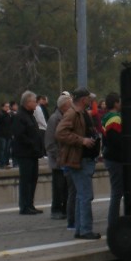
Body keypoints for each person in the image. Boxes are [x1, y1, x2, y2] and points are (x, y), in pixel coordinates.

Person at [56, 86, 101, 239]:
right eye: (89, 98)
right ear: (83, 100)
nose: (91, 101)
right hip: (79, 160)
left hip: (82, 160)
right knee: (85, 196)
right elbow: (60, 132)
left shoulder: (79, 113)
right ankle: (85, 230)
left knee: (81, 196)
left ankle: (79, 229)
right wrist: (82, 140)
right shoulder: (72, 114)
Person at [11, 89, 45, 214]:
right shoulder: (20, 116)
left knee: (33, 179)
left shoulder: (30, 115)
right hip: (25, 153)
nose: (36, 104)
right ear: (27, 102)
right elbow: (20, 135)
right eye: (34, 102)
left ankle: (30, 204)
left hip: (33, 153)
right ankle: (24, 206)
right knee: (26, 180)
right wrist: (32, 144)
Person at [44, 93, 72, 221]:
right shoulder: (54, 119)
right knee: (58, 187)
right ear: (64, 106)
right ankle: (56, 209)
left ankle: (64, 209)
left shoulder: (66, 117)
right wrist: (58, 156)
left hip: (66, 158)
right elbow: (50, 141)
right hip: (58, 160)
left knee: (66, 187)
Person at [102, 92, 124, 234]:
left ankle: (113, 222)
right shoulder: (115, 118)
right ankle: (113, 224)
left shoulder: (106, 117)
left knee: (116, 192)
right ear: (116, 103)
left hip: (110, 157)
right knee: (117, 193)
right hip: (116, 159)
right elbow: (116, 141)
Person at [0, 100, 14, 169]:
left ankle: (6, 162)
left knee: (7, 150)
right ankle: (1, 164)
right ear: (2, 107)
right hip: (1, 135)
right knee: (2, 149)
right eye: (6, 106)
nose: (8, 108)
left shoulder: (9, 114)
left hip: (8, 135)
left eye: (8, 106)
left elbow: (11, 123)